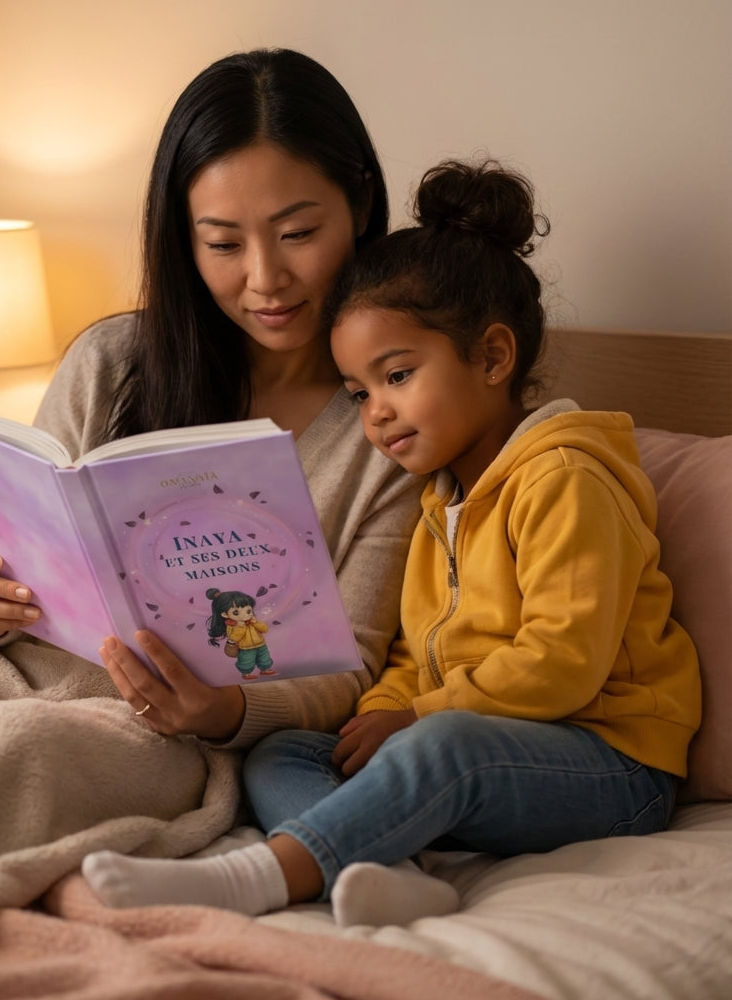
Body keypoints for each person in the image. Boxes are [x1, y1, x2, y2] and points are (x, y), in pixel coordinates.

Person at [82, 157, 701, 928]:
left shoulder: (564, 480)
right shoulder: (438, 494)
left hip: (607, 761)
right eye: (359, 393)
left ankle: (264, 875)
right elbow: (415, 651)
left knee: (446, 750)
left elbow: (564, 662)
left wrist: (418, 721)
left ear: (493, 357)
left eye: (398, 375)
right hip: (469, 740)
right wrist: (375, 716)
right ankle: (387, 868)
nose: (376, 413)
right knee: (287, 754)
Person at [0, 46, 423, 749]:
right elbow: (8, 579)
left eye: (298, 234)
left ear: (361, 206)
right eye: (224, 244)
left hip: (145, 734)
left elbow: (348, 671)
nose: (265, 278)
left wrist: (227, 713)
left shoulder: (393, 426)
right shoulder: (111, 363)